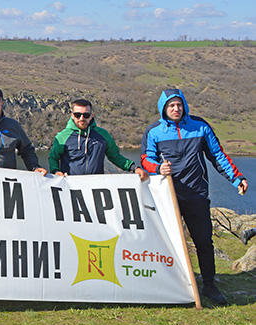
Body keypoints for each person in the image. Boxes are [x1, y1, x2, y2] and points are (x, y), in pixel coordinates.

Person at [141, 89, 248, 305]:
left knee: (203, 241)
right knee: (166, 241)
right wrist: (158, 168)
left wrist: (237, 178)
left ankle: (209, 285)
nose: (176, 108)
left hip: (196, 193)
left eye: (179, 105)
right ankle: (168, 283)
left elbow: (217, 155)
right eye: (171, 105)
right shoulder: (154, 131)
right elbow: (146, 159)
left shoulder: (200, 126)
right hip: (167, 195)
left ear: (184, 106)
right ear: (164, 108)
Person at [49, 98, 147, 180]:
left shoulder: (102, 135)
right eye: (78, 115)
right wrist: (56, 171)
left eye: (86, 115)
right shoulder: (62, 136)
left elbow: (115, 157)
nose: (82, 118)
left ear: (91, 116)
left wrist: (134, 168)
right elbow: (53, 158)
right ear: (72, 115)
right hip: (72, 187)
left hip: (96, 187)